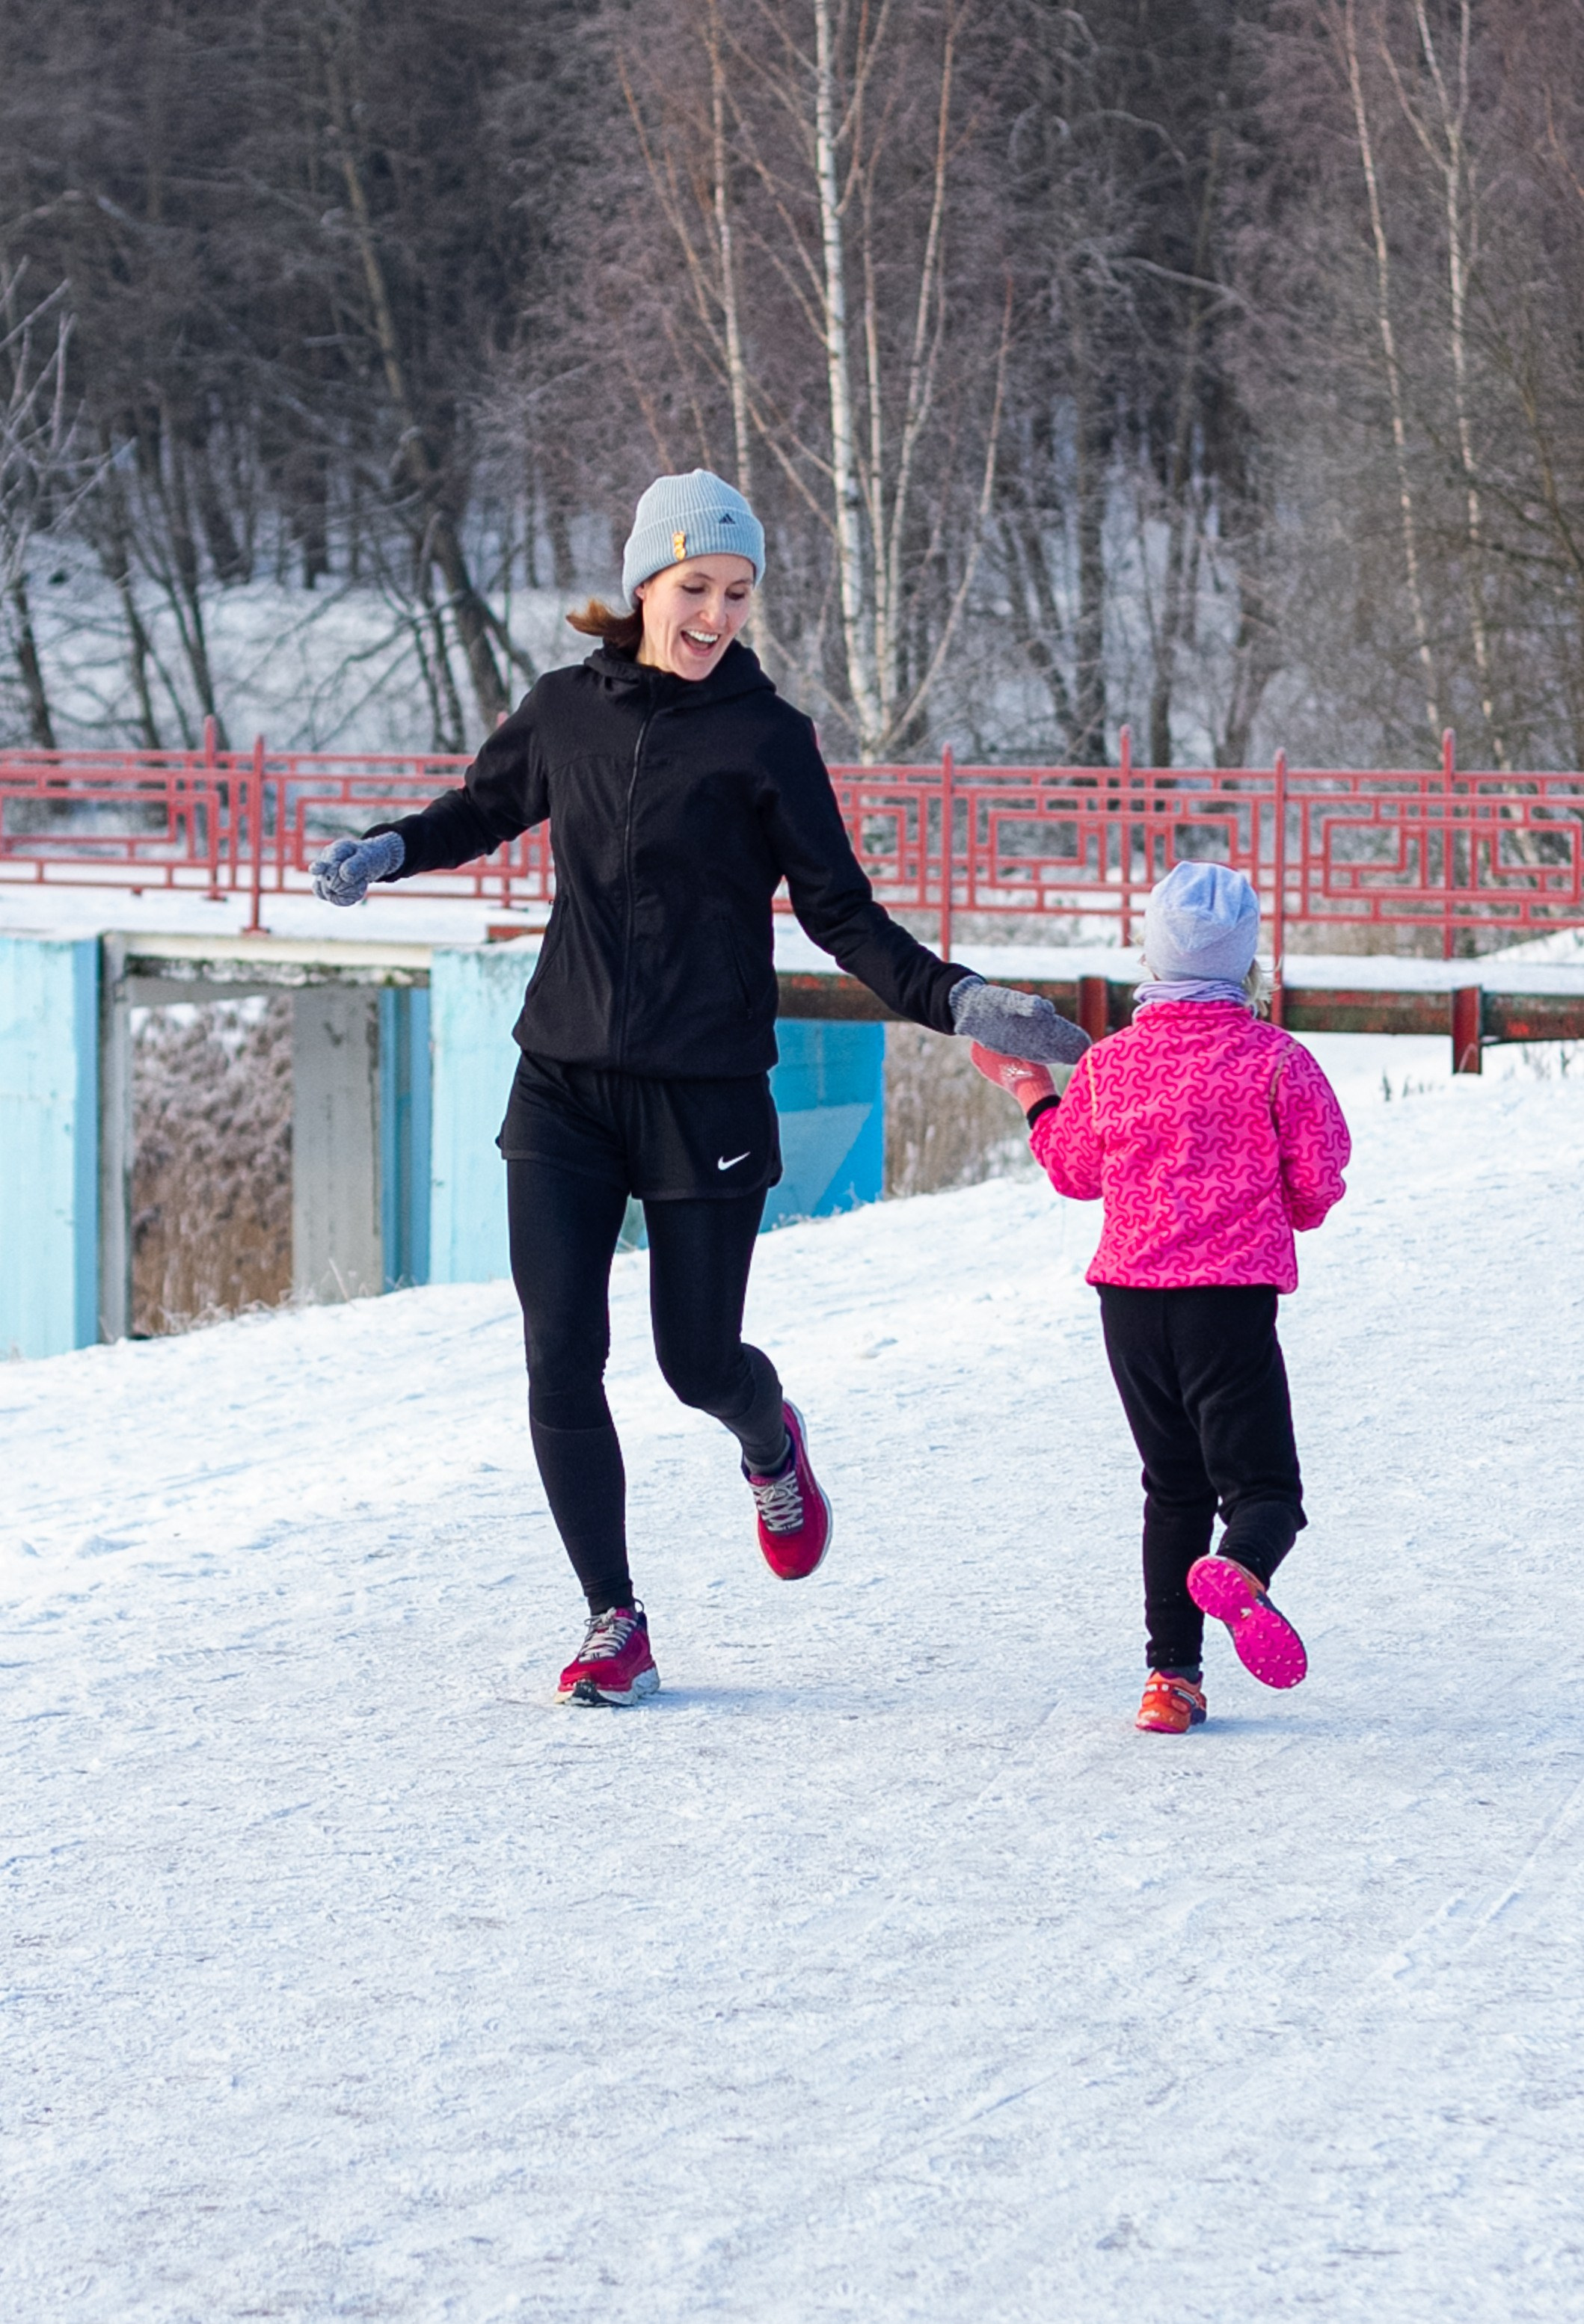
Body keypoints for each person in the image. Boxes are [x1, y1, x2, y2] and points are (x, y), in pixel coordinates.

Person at [313, 469, 1089, 1705]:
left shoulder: (765, 739)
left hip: (704, 1090)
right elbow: (484, 804)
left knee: (694, 1357)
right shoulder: (567, 711)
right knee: (559, 1354)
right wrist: (392, 846)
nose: (718, 612)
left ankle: (768, 1437)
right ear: (643, 584)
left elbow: (839, 912)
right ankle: (613, 1617)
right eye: (696, 587)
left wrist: (956, 997)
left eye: (735, 591)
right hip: (562, 1080)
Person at [971, 860, 1350, 1734]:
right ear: (1246, 963)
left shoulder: (1111, 1066)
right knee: (1264, 1494)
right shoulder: (1277, 1061)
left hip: (1130, 1306)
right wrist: (1288, 1208)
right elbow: (1318, 1181)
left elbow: (1073, 1169)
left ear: (1152, 956)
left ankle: (1170, 1682)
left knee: (1171, 1487)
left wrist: (1030, 1087)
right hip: (1229, 1301)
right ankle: (1242, 1570)